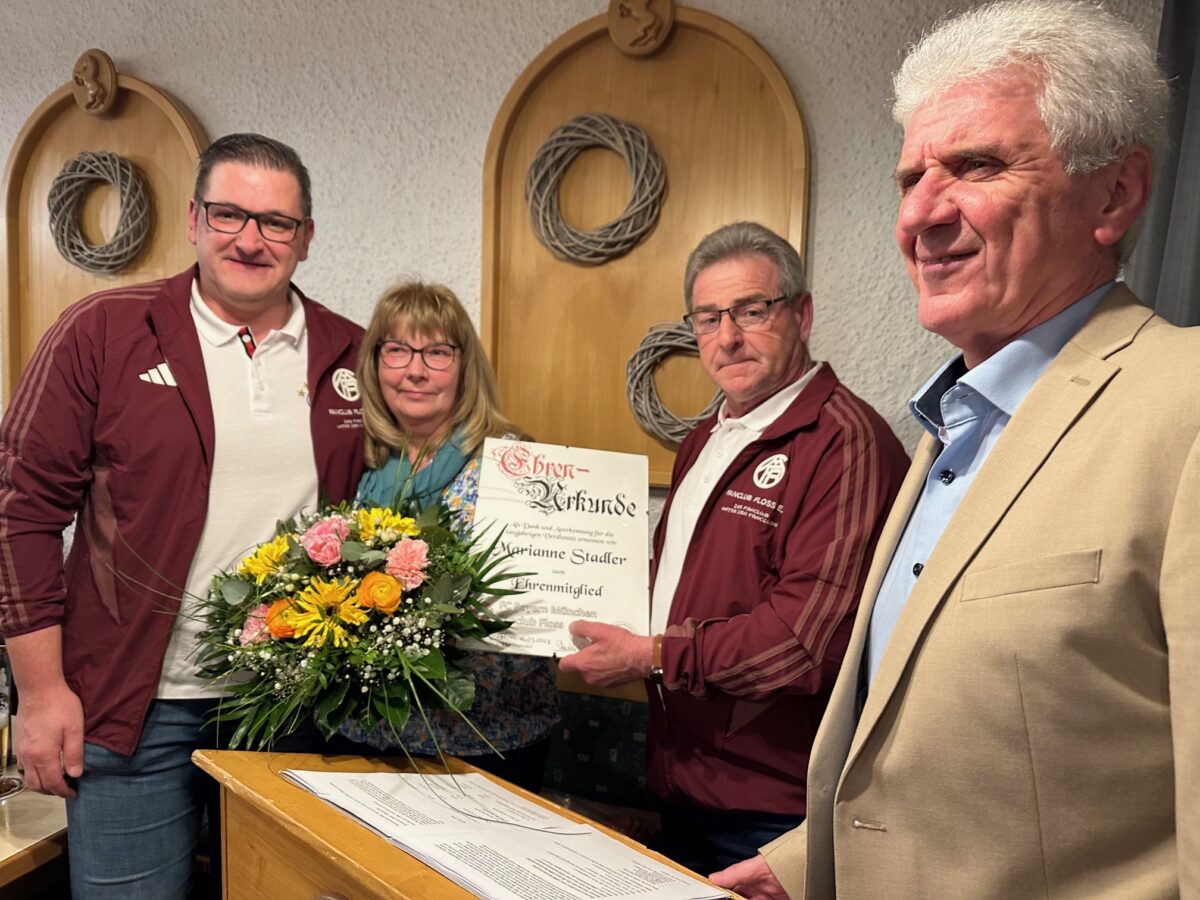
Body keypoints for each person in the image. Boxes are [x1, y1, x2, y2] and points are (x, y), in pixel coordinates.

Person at [711, 3, 1199, 898]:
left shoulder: (1186, 408)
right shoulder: (953, 424)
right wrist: (803, 864)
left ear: (1118, 194)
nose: (922, 216)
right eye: (909, 179)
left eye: (976, 165)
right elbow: (962, 743)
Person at [0, 133, 365, 898]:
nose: (251, 238)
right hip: (138, 708)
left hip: (289, 708)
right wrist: (39, 693)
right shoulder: (100, 331)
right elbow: (18, 516)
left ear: (306, 240)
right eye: (231, 214)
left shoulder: (350, 355)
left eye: (277, 222)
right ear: (194, 219)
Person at [559, 222, 908, 874]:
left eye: (753, 310)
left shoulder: (844, 443)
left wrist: (653, 654)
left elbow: (801, 644)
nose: (727, 337)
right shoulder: (707, 435)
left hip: (771, 809)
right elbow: (682, 585)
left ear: (801, 314)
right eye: (709, 316)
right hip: (683, 780)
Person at [332, 281, 559, 792]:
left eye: (436, 351)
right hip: (365, 733)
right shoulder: (356, 459)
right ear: (374, 363)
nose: (415, 370)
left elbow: (547, 593)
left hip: (487, 737)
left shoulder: (516, 460)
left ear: (465, 366)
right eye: (397, 350)